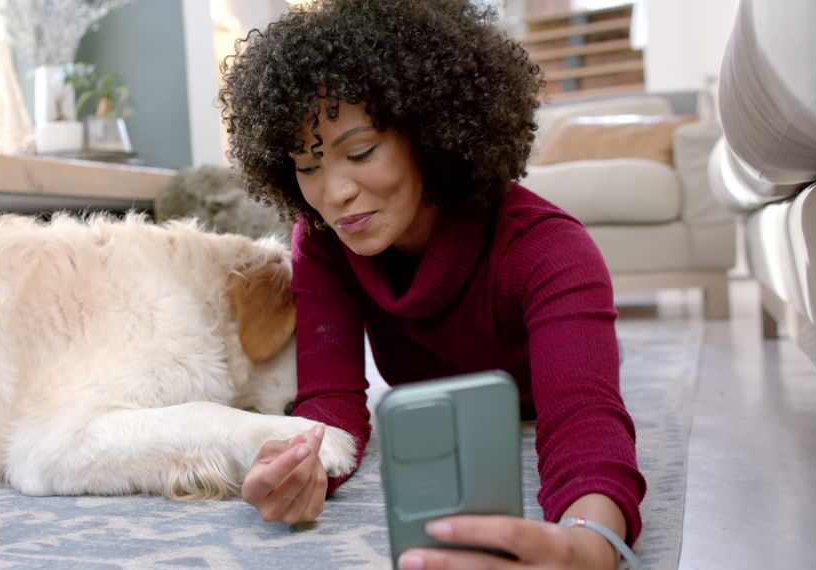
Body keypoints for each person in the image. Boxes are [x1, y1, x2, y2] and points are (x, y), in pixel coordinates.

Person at [218, 0, 645, 568]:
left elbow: (584, 421)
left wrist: (589, 543)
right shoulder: (323, 241)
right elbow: (333, 401)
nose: (334, 193)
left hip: (534, 396)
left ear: (430, 132)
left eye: (361, 152)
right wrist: (302, 464)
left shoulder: (550, 249)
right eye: (308, 165)